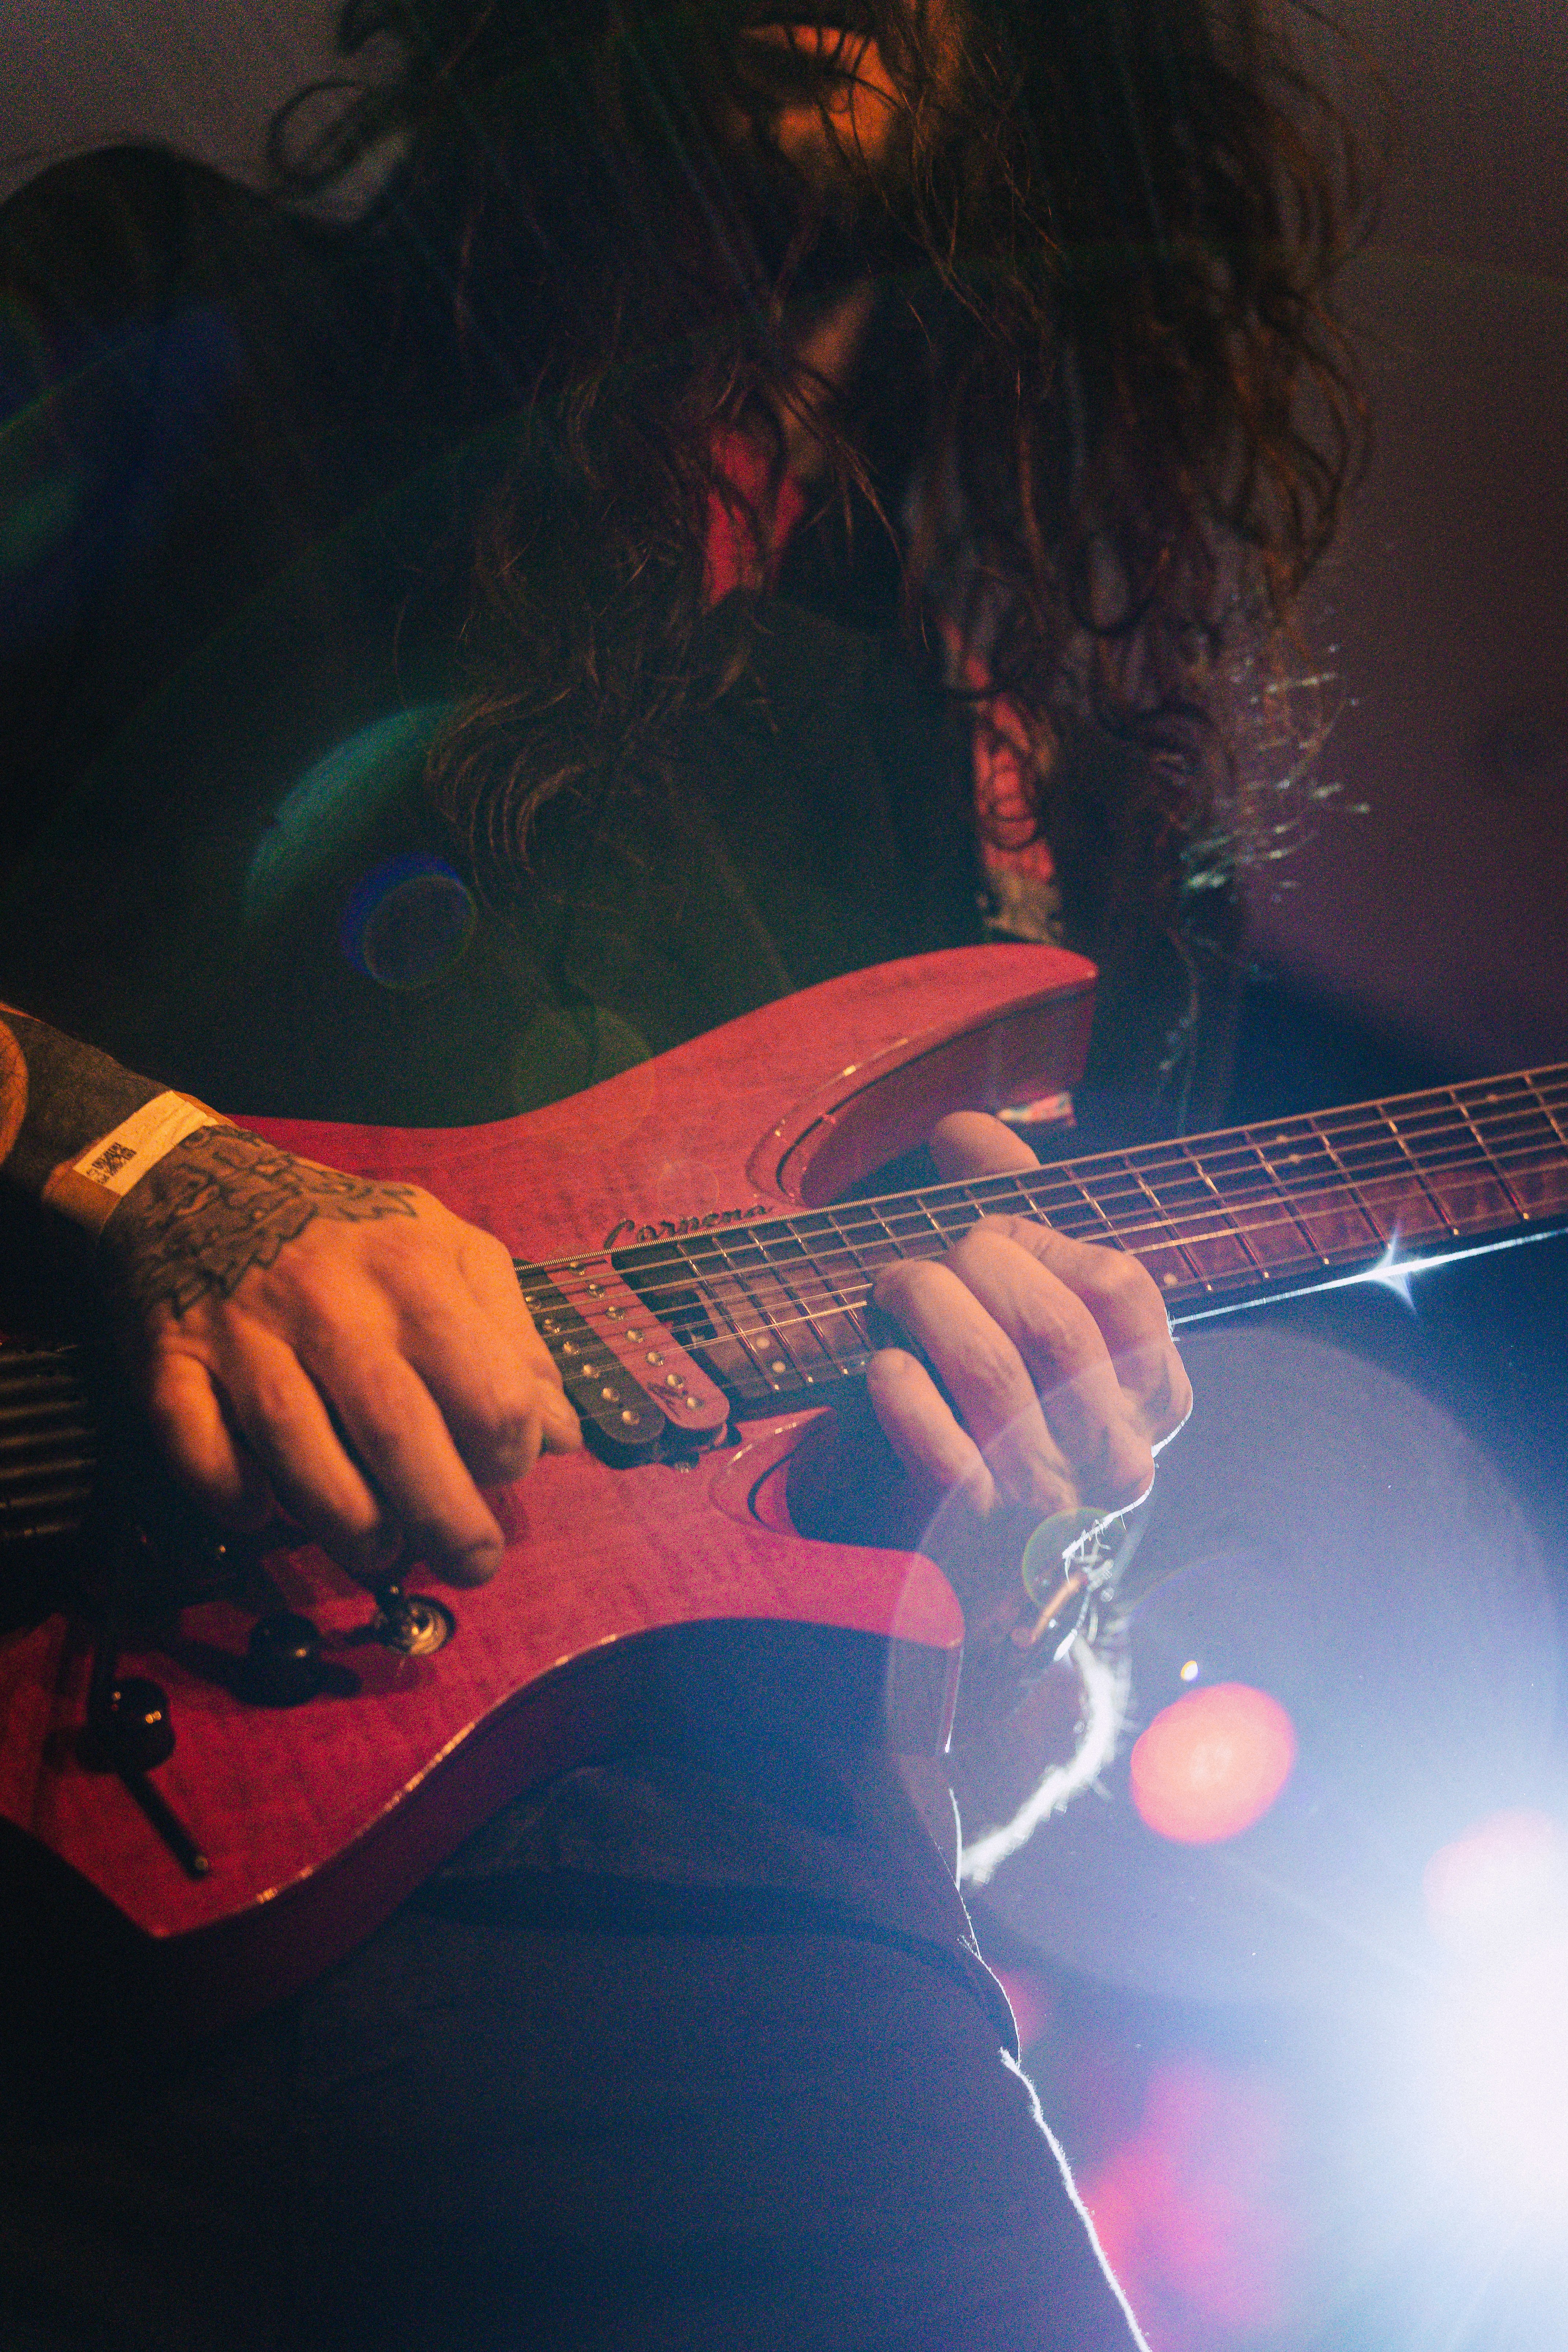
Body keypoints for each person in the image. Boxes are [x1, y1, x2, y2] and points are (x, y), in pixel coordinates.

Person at [0, 4, 1364, 2344]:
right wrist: (154, 1174)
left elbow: (1004, 1755)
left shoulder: (1044, 795)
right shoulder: (177, 300)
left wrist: (1051, 1537)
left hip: (757, 1956)